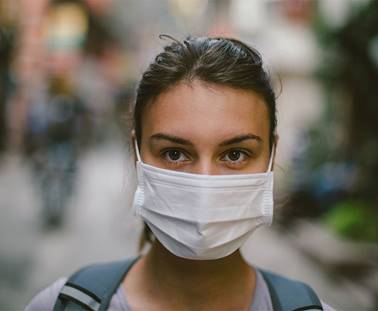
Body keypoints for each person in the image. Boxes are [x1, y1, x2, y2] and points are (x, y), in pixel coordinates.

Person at [26, 35, 334, 311]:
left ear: (271, 154)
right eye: (175, 154)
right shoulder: (60, 305)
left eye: (235, 154)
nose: (204, 182)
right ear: (138, 154)